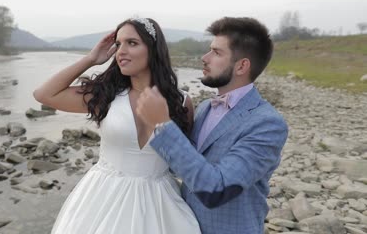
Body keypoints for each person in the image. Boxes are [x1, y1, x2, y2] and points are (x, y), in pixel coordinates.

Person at [33, 17, 201, 234]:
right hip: (103, 198)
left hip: (161, 203)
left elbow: (184, 161)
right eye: (119, 44)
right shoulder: (106, 96)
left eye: (132, 43)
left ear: (153, 49)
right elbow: (44, 94)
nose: (121, 50)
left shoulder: (181, 101)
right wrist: (91, 59)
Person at [136, 17, 289, 234]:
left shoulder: (267, 123)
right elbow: (181, 165)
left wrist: (163, 124)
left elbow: (217, 189)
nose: (204, 58)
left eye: (216, 53)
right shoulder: (206, 107)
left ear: (242, 66)